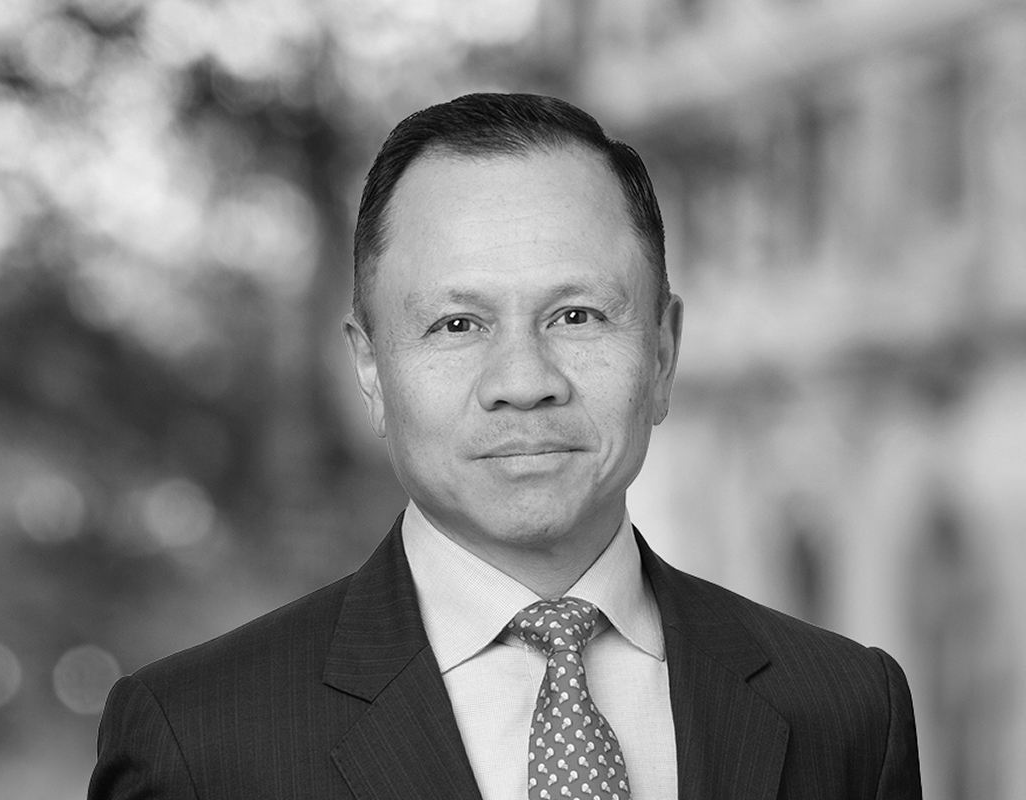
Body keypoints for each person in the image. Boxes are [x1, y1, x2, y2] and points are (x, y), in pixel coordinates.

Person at [88, 93, 922, 800]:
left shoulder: (850, 712)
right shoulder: (198, 742)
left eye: (577, 315)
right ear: (371, 369)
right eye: (457, 324)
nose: (523, 381)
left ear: (663, 352)